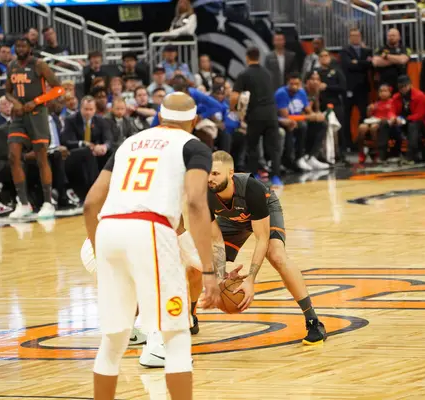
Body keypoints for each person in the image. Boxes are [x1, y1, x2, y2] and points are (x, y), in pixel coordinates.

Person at [83, 91, 219, 400]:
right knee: (177, 337)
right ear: (194, 122)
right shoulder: (193, 146)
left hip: (108, 231)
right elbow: (197, 203)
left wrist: (98, 249)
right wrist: (209, 271)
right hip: (149, 229)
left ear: (158, 117)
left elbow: (90, 203)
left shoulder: (127, 143)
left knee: (113, 340)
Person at [204, 150, 327, 343]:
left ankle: (313, 320)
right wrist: (220, 276)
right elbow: (216, 240)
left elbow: (261, 238)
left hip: (265, 210)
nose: (210, 178)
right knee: (196, 263)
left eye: (215, 173)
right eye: (208, 173)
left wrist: (251, 279)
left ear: (230, 173)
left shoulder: (251, 188)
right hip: (233, 220)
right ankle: (189, 318)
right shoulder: (204, 194)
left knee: (276, 255)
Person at [5, 37, 65, 219]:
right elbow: (7, 91)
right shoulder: (11, 66)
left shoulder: (39, 65)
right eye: (18, 45)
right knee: (13, 155)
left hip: (37, 114)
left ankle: (48, 202)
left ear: (30, 48)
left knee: (41, 158)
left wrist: (36, 101)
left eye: (24, 45)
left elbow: (58, 88)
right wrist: (15, 102)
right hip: (19, 116)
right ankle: (23, 203)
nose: (21, 48)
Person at [232, 47, 282, 186]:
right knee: (273, 147)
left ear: (247, 57)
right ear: (259, 57)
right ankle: (276, 177)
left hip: (255, 114)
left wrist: (235, 110)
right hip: (271, 113)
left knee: (252, 146)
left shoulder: (244, 74)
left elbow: (235, 96)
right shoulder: (268, 73)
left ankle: (254, 177)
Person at [276, 72, 330, 171]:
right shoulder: (281, 93)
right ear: (287, 83)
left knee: (322, 124)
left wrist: (317, 116)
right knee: (302, 125)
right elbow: (286, 117)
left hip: (299, 121)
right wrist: (309, 117)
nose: (294, 87)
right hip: (282, 122)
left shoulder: (301, 92)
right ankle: (298, 158)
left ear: (300, 84)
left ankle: (311, 157)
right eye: (291, 84)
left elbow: (308, 111)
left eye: (297, 84)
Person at [341, 28, 372, 158]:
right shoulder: (345, 51)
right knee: (346, 116)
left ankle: (362, 141)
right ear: (349, 37)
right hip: (349, 88)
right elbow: (348, 65)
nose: (355, 38)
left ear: (361, 37)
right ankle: (347, 143)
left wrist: (357, 62)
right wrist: (362, 63)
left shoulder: (367, 50)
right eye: (352, 36)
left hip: (363, 87)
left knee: (364, 115)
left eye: (357, 36)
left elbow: (370, 65)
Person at [390, 75, 425, 165]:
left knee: (413, 125)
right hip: (403, 123)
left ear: (410, 85)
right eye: (401, 87)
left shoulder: (420, 96)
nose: (403, 89)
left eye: (405, 86)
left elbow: (420, 115)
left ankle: (410, 157)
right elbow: (391, 111)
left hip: (421, 124)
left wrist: (404, 119)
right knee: (385, 124)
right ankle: (387, 156)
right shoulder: (396, 97)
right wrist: (393, 118)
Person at [357, 84, 396, 164]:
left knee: (373, 128)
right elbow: (370, 116)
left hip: (383, 123)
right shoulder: (377, 103)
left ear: (389, 93)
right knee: (361, 127)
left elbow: (392, 115)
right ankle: (362, 152)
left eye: (385, 91)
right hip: (373, 120)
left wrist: (391, 119)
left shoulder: (392, 102)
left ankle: (376, 152)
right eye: (381, 91)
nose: (383, 93)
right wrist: (369, 110)